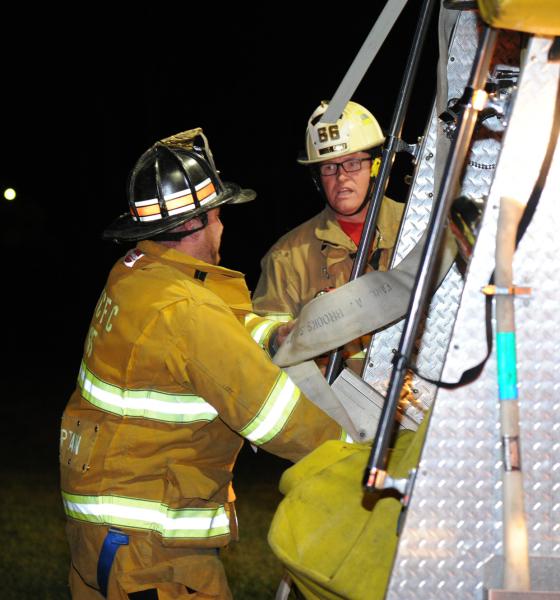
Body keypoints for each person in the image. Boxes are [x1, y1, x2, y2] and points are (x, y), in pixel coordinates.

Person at [59, 128, 343, 600]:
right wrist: (362, 452)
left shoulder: (136, 275)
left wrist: (276, 334)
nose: (223, 226)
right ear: (204, 221)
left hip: (104, 537)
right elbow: (277, 417)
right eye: (219, 214)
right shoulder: (186, 312)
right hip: (153, 557)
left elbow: (214, 333)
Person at [253, 100, 404, 373]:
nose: (342, 178)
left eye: (353, 163)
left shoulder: (417, 228)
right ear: (317, 178)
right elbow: (268, 350)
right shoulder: (286, 257)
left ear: (376, 167)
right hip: (335, 408)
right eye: (329, 168)